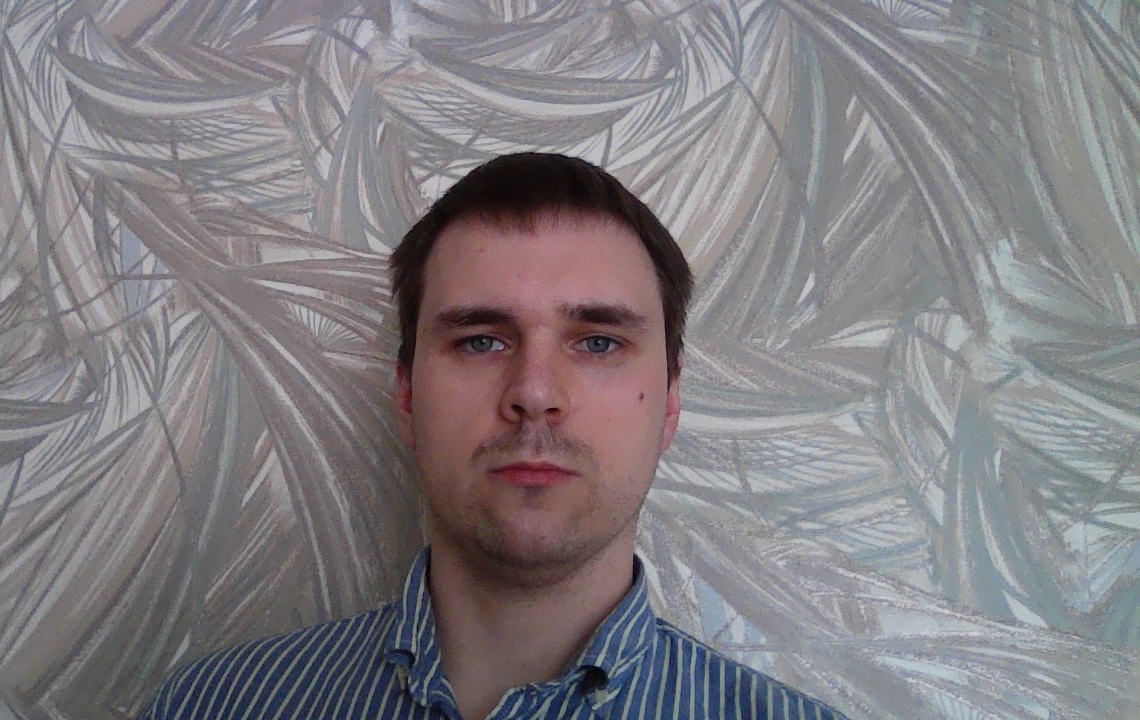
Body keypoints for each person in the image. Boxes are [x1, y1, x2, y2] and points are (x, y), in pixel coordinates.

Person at [137, 153, 849, 720]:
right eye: (480, 340)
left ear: (669, 402)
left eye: (598, 342)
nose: (534, 393)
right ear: (407, 395)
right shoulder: (213, 707)